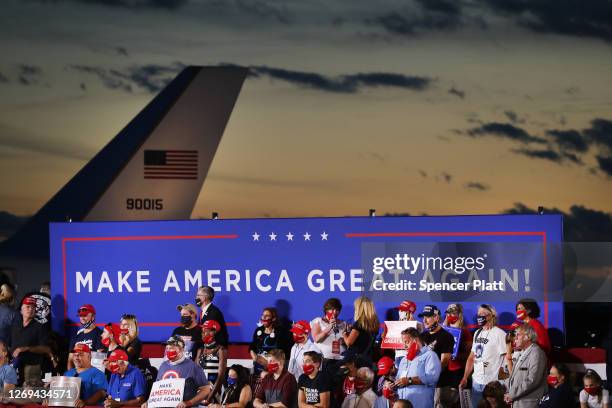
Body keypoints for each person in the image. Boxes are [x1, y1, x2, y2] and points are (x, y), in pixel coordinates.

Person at [459, 304, 507, 407]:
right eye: (479, 314)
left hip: (491, 384)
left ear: (492, 316)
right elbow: (472, 357)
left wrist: (503, 383)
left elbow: (506, 360)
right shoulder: (477, 333)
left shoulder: (499, 334)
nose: (481, 316)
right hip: (477, 381)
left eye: (484, 314)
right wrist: (465, 377)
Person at [156, 335, 211, 407]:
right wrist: (148, 402)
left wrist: (189, 403)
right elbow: (156, 389)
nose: (168, 350)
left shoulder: (193, 367)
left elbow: (206, 389)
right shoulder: (163, 365)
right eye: (167, 348)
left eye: (172, 348)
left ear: (182, 349)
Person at [394, 328, 441, 408]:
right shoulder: (404, 359)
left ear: (415, 341)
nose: (404, 346)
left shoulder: (430, 355)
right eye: (403, 343)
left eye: (407, 342)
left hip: (420, 404)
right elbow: (398, 378)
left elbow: (432, 378)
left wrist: (409, 380)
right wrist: (393, 384)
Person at [419, 305, 456, 408]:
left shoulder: (446, 336)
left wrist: (428, 378)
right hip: (422, 383)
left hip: (438, 384)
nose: (424, 320)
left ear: (436, 317)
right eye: (423, 317)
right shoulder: (421, 336)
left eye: (428, 317)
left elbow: (444, 362)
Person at [9, 296, 51, 385]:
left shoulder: (40, 326)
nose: (30, 309)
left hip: (31, 368)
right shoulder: (15, 326)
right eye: (28, 307)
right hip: (14, 366)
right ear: (21, 309)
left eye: (33, 307)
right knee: (12, 394)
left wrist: (27, 348)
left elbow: (46, 349)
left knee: (29, 397)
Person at [504, 324, 547, 407]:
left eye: (518, 335)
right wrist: (508, 393)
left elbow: (533, 380)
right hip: (518, 401)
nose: (515, 338)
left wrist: (512, 394)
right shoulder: (522, 352)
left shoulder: (537, 353)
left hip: (529, 403)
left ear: (528, 337)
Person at [249, 307, 293, 377]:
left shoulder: (281, 332)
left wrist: (269, 363)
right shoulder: (258, 330)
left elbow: (285, 353)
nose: (264, 317)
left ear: (273, 318)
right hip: (259, 366)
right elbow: (252, 347)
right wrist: (256, 359)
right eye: (263, 315)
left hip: (274, 367)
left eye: (267, 316)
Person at [64, 343, 108, 407]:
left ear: (89, 356)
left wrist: (85, 403)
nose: (76, 358)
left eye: (80, 355)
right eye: (75, 355)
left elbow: (102, 393)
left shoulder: (97, 373)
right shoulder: (67, 373)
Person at [196, 319, 227, 402]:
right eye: (202, 331)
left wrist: (210, 397)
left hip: (214, 393)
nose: (202, 333)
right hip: (199, 391)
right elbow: (195, 373)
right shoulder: (200, 350)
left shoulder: (221, 350)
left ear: (213, 332)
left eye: (205, 330)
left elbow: (221, 376)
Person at [343, 297, 379, 364]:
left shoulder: (359, 324)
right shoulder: (375, 324)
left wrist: (344, 333)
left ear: (359, 309)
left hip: (356, 360)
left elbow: (349, 342)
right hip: (368, 358)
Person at [311, 298, 348, 364]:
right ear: (326, 309)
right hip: (324, 359)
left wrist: (343, 341)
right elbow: (316, 339)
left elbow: (347, 342)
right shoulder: (318, 321)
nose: (335, 312)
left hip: (340, 359)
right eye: (332, 309)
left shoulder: (343, 323)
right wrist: (329, 327)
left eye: (337, 310)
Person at [68, 303, 103, 369]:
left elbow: (99, 362)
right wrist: (71, 376)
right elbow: (70, 360)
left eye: (85, 315)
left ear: (93, 317)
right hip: (77, 376)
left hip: (91, 376)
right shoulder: (76, 336)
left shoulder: (100, 334)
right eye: (80, 316)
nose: (82, 318)